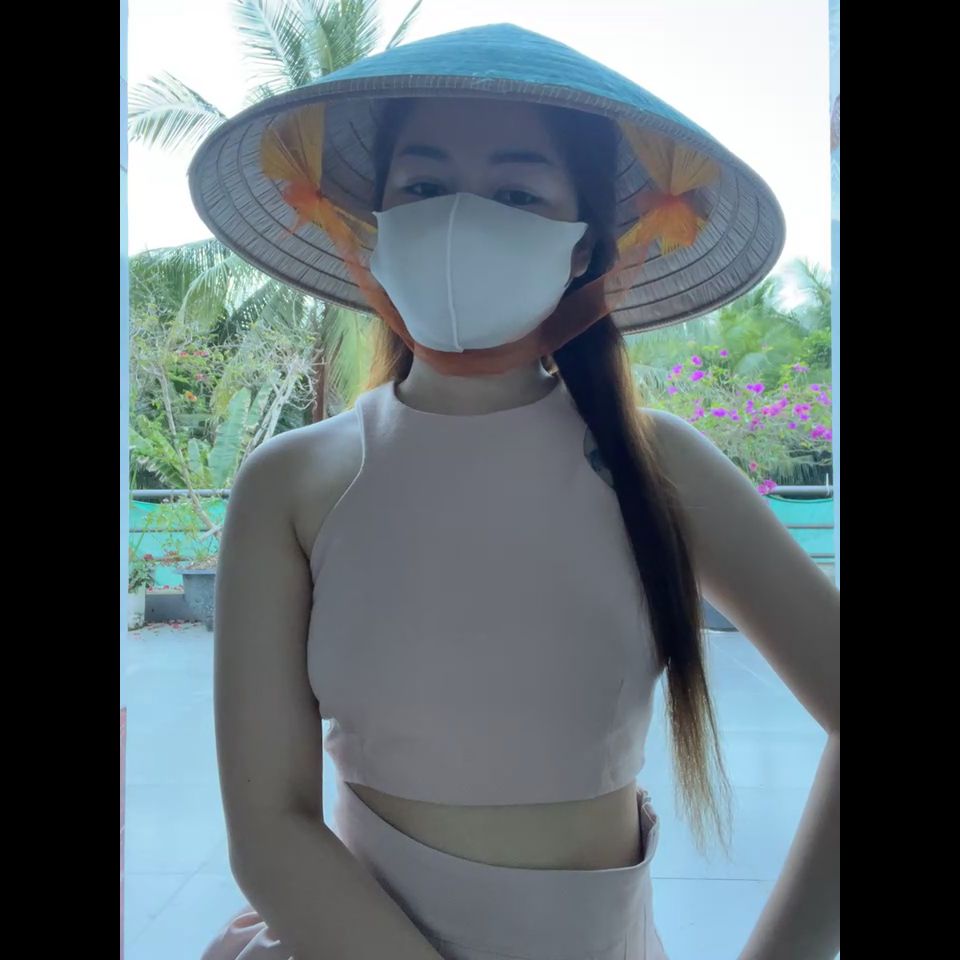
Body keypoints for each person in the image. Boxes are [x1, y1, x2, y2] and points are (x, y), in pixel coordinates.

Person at [190, 23, 839, 960]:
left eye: (516, 192)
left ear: (584, 250)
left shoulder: (660, 467)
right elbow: (269, 826)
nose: (460, 219)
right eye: (423, 187)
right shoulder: (289, 484)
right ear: (373, 229)